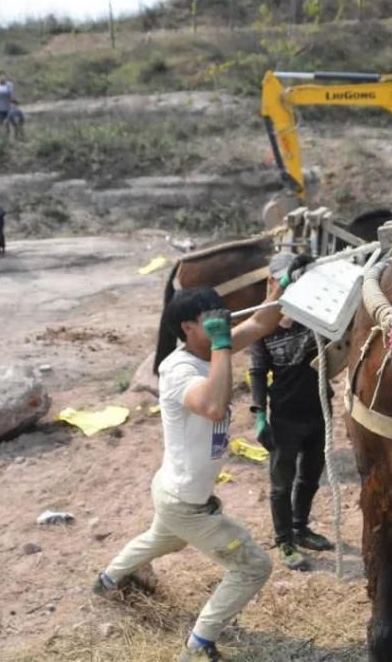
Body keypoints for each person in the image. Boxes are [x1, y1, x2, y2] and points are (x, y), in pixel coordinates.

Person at [93, 283, 287, 662]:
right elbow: (214, 406)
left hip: (174, 490)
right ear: (187, 328)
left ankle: (108, 579)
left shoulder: (213, 347)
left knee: (164, 538)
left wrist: (278, 288)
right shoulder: (180, 369)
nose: (223, 323)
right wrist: (221, 346)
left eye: (223, 314)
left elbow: (263, 322)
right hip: (184, 499)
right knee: (253, 566)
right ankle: (200, 643)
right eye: (211, 319)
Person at [249, 252, 335, 571]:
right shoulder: (262, 328)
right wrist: (259, 414)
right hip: (285, 417)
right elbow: (257, 372)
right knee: (281, 482)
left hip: (318, 408)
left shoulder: (313, 314)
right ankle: (284, 539)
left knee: (310, 475)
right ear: (273, 283)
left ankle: (300, 528)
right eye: (286, 280)